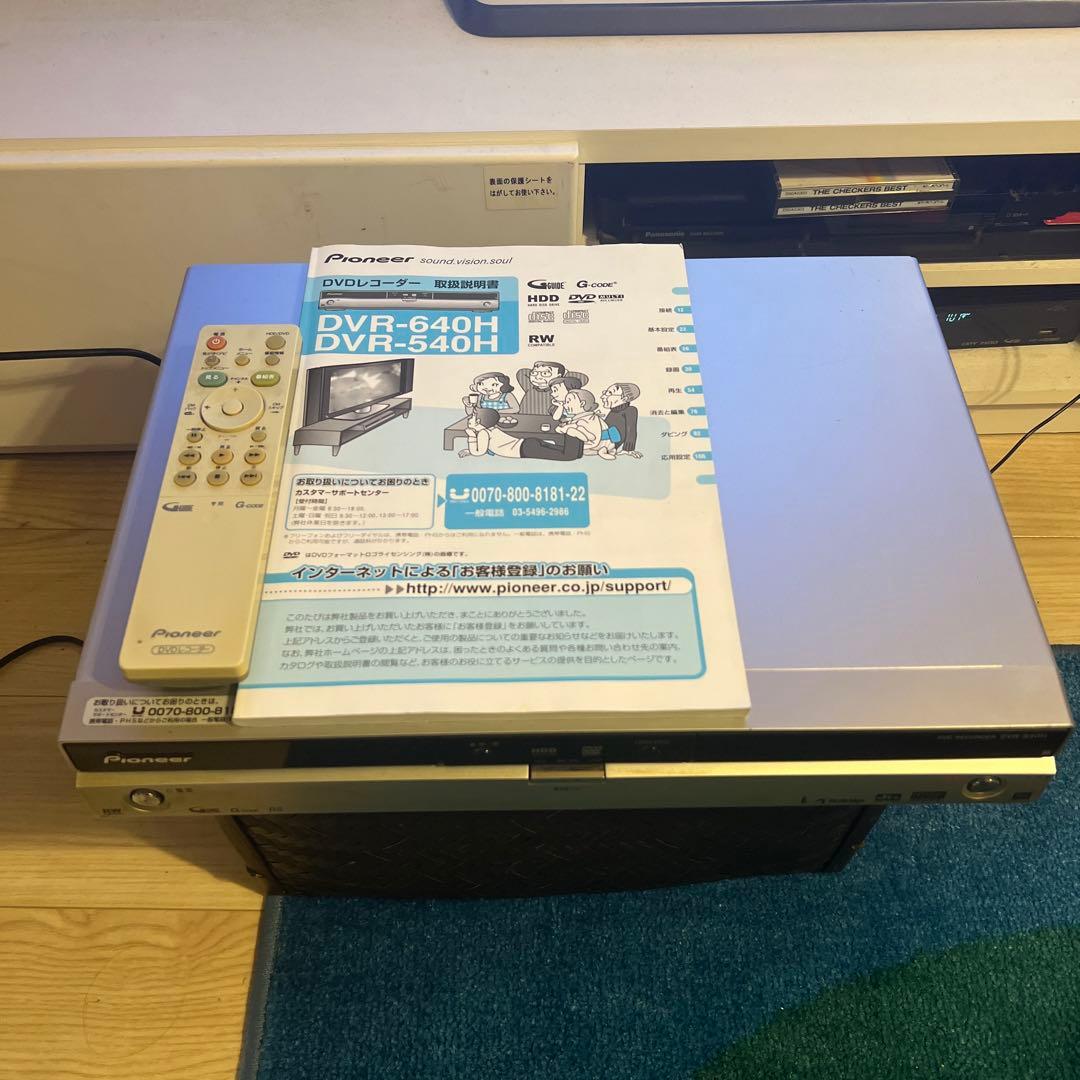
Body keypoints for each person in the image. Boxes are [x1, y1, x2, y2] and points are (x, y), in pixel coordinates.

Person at [459, 408, 584, 461]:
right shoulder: (491, 430)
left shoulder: (483, 433)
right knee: (560, 450)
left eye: (472, 417)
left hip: (525, 449)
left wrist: (471, 436)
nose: (469, 419)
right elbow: (486, 447)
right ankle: (579, 445)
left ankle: (571, 433)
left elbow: (479, 452)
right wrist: (469, 451)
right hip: (527, 443)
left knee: (565, 456)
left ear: (478, 421)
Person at [557, 388, 620, 458]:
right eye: (565, 402)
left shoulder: (590, 418)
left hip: (601, 442)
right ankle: (602, 451)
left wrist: (567, 428)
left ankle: (603, 450)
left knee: (575, 440)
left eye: (568, 402)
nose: (565, 405)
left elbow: (590, 434)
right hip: (604, 444)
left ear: (582, 403)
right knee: (582, 450)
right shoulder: (583, 416)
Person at [600, 382, 642, 457]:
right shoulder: (612, 412)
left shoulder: (630, 410)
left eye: (609, 393)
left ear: (624, 398)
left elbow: (631, 430)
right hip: (604, 437)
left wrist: (628, 449)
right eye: (605, 392)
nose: (603, 396)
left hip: (611, 439)